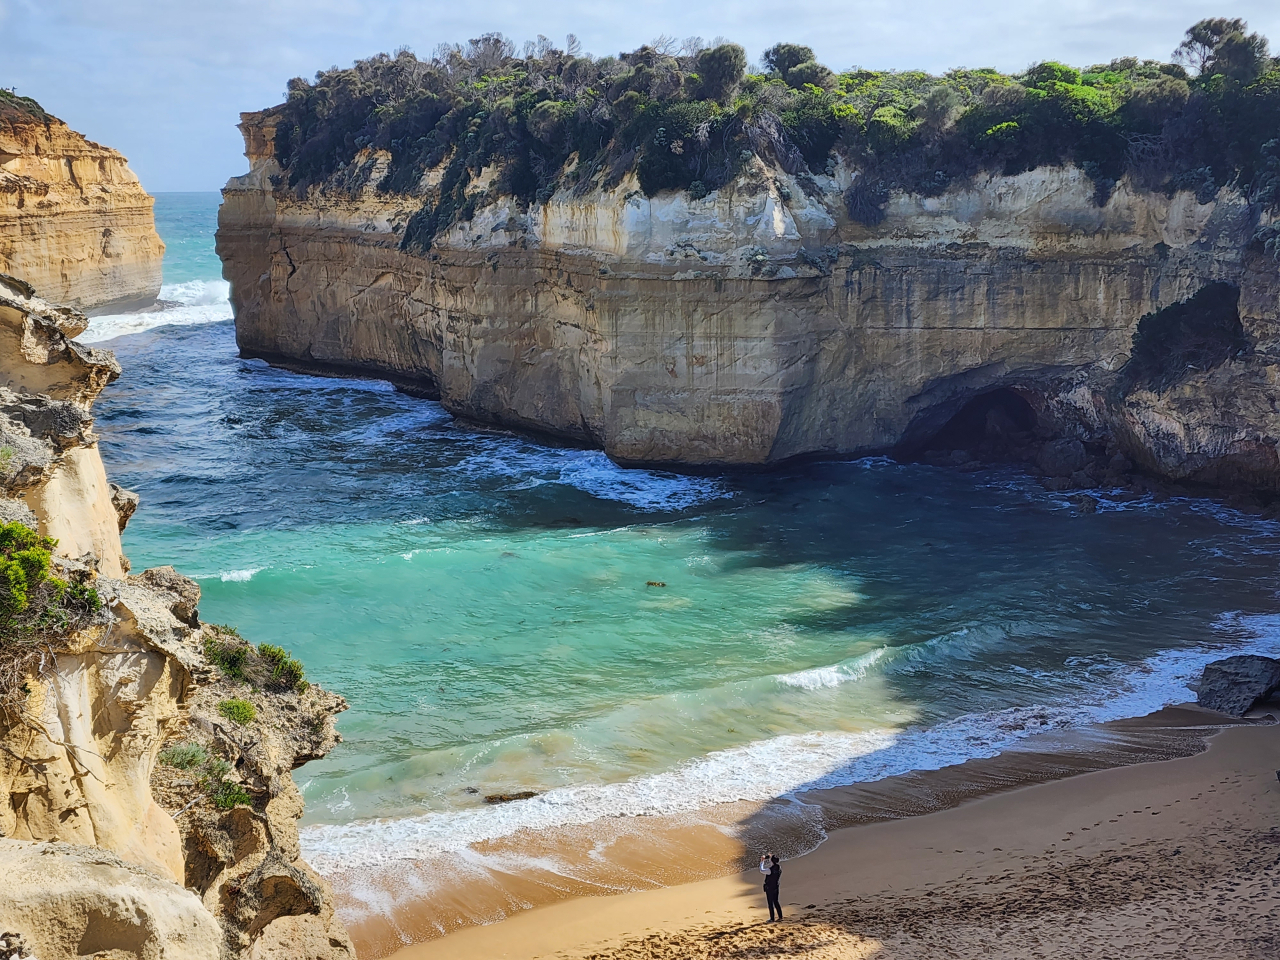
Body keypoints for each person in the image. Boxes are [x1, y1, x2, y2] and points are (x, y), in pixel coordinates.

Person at [759, 853, 782, 921]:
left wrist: (762, 861)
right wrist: (770, 856)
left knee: (770, 903)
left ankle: (772, 918)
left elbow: (762, 870)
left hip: (770, 888)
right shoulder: (779, 868)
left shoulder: (769, 871)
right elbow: (772, 864)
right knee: (776, 901)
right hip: (776, 886)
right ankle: (780, 916)